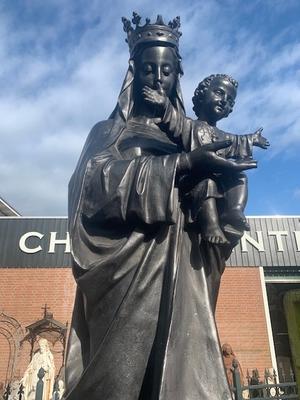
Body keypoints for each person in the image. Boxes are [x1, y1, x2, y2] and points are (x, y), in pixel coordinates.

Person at [64, 13, 257, 400]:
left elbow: (221, 197)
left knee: (182, 376)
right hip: (127, 275)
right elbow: (91, 187)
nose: (157, 77)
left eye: (166, 70)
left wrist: (227, 216)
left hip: (183, 267)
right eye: (148, 69)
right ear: (134, 74)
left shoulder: (189, 134)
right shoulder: (109, 132)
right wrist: (182, 166)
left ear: (176, 76)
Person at [142, 74, 270, 244]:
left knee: (239, 177)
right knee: (207, 182)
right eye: (219, 92)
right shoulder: (189, 125)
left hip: (218, 179)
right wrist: (164, 103)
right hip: (192, 178)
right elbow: (174, 119)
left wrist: (252, 139)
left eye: (230, 101)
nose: (225, 101)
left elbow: (237, 141)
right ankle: (211, 226)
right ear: (202, 94)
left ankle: (234, 210)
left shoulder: (223, 135)